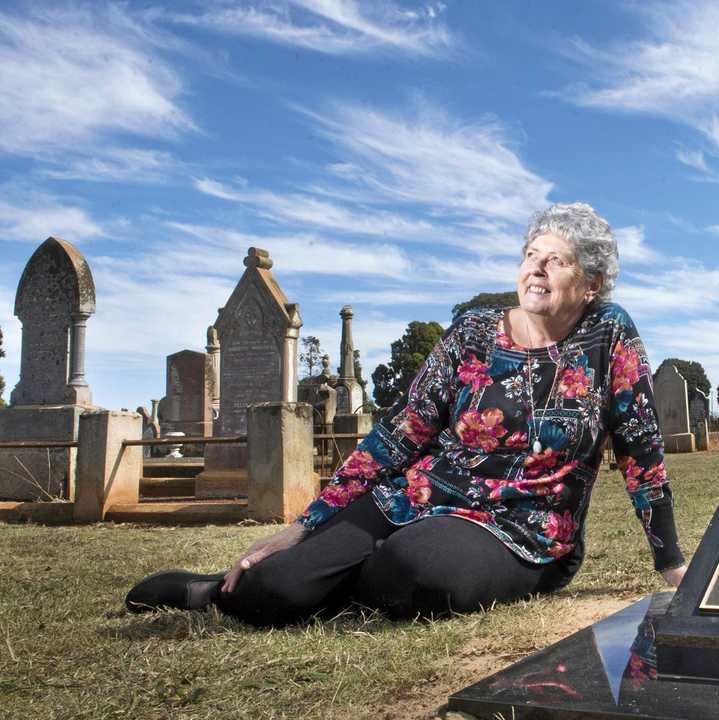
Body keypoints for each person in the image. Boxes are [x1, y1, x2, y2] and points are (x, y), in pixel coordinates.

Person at [127, 202, 687, 625]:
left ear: (591, 283)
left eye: (555, 261)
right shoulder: (472, 334)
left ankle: (349, 583)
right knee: (276, 586)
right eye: (529, 256)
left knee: (415, 569)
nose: (535, 270)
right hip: (416, 497)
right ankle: (211, 593)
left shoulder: (608, 333)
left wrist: (671, 563)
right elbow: (400, 434)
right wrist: (307, 525)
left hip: (525, 532)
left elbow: (641, 448)